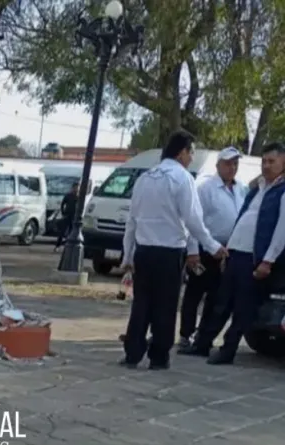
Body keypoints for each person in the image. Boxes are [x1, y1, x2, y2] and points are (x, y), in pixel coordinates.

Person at [120, 130, 227, 370]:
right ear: (181, 153)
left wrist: (127, 255)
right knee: (165, 306)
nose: (192, 158)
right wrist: (213, 246)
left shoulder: (145, 178)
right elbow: (193, 220)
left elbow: (132, 222)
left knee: (141, 305)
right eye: (191, 152)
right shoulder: (182, 178)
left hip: (144, 251)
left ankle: (133, 352)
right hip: (168, 253)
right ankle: (159, 356)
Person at [180, 142, 285, 364]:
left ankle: (228, 350)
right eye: (264, 161)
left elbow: (281, 230)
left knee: (242, 307)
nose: (266, 166)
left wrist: (267, 261)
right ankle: (202, 344)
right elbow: (243, 218)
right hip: (235, 253)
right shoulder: (257, 188)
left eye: (272, 161)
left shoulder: (282, 191)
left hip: (255, 258)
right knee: (221, 302)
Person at [177, 147, 247, 348]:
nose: (232, 168)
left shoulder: (240, 189)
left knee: (216, 295)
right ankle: (186, 333)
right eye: (228, 163)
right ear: (218, 165)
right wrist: (193, 251)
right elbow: (194, 221)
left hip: (226, 251)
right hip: (205, 249)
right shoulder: (205, 188)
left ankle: (203, 334)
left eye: (235, 164)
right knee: (195, 292)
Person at [55, 182, 79, 249]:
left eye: (77, 188)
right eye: (75, 188)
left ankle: (67, 246)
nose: (76, 189)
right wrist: (63, 212)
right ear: (72, 188)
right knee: (62, 231)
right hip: (67, 214)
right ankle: (58, 245)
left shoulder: (78, 197)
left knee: (71, 231)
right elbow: (62, 204)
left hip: (74, 216)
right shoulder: (68, 195)